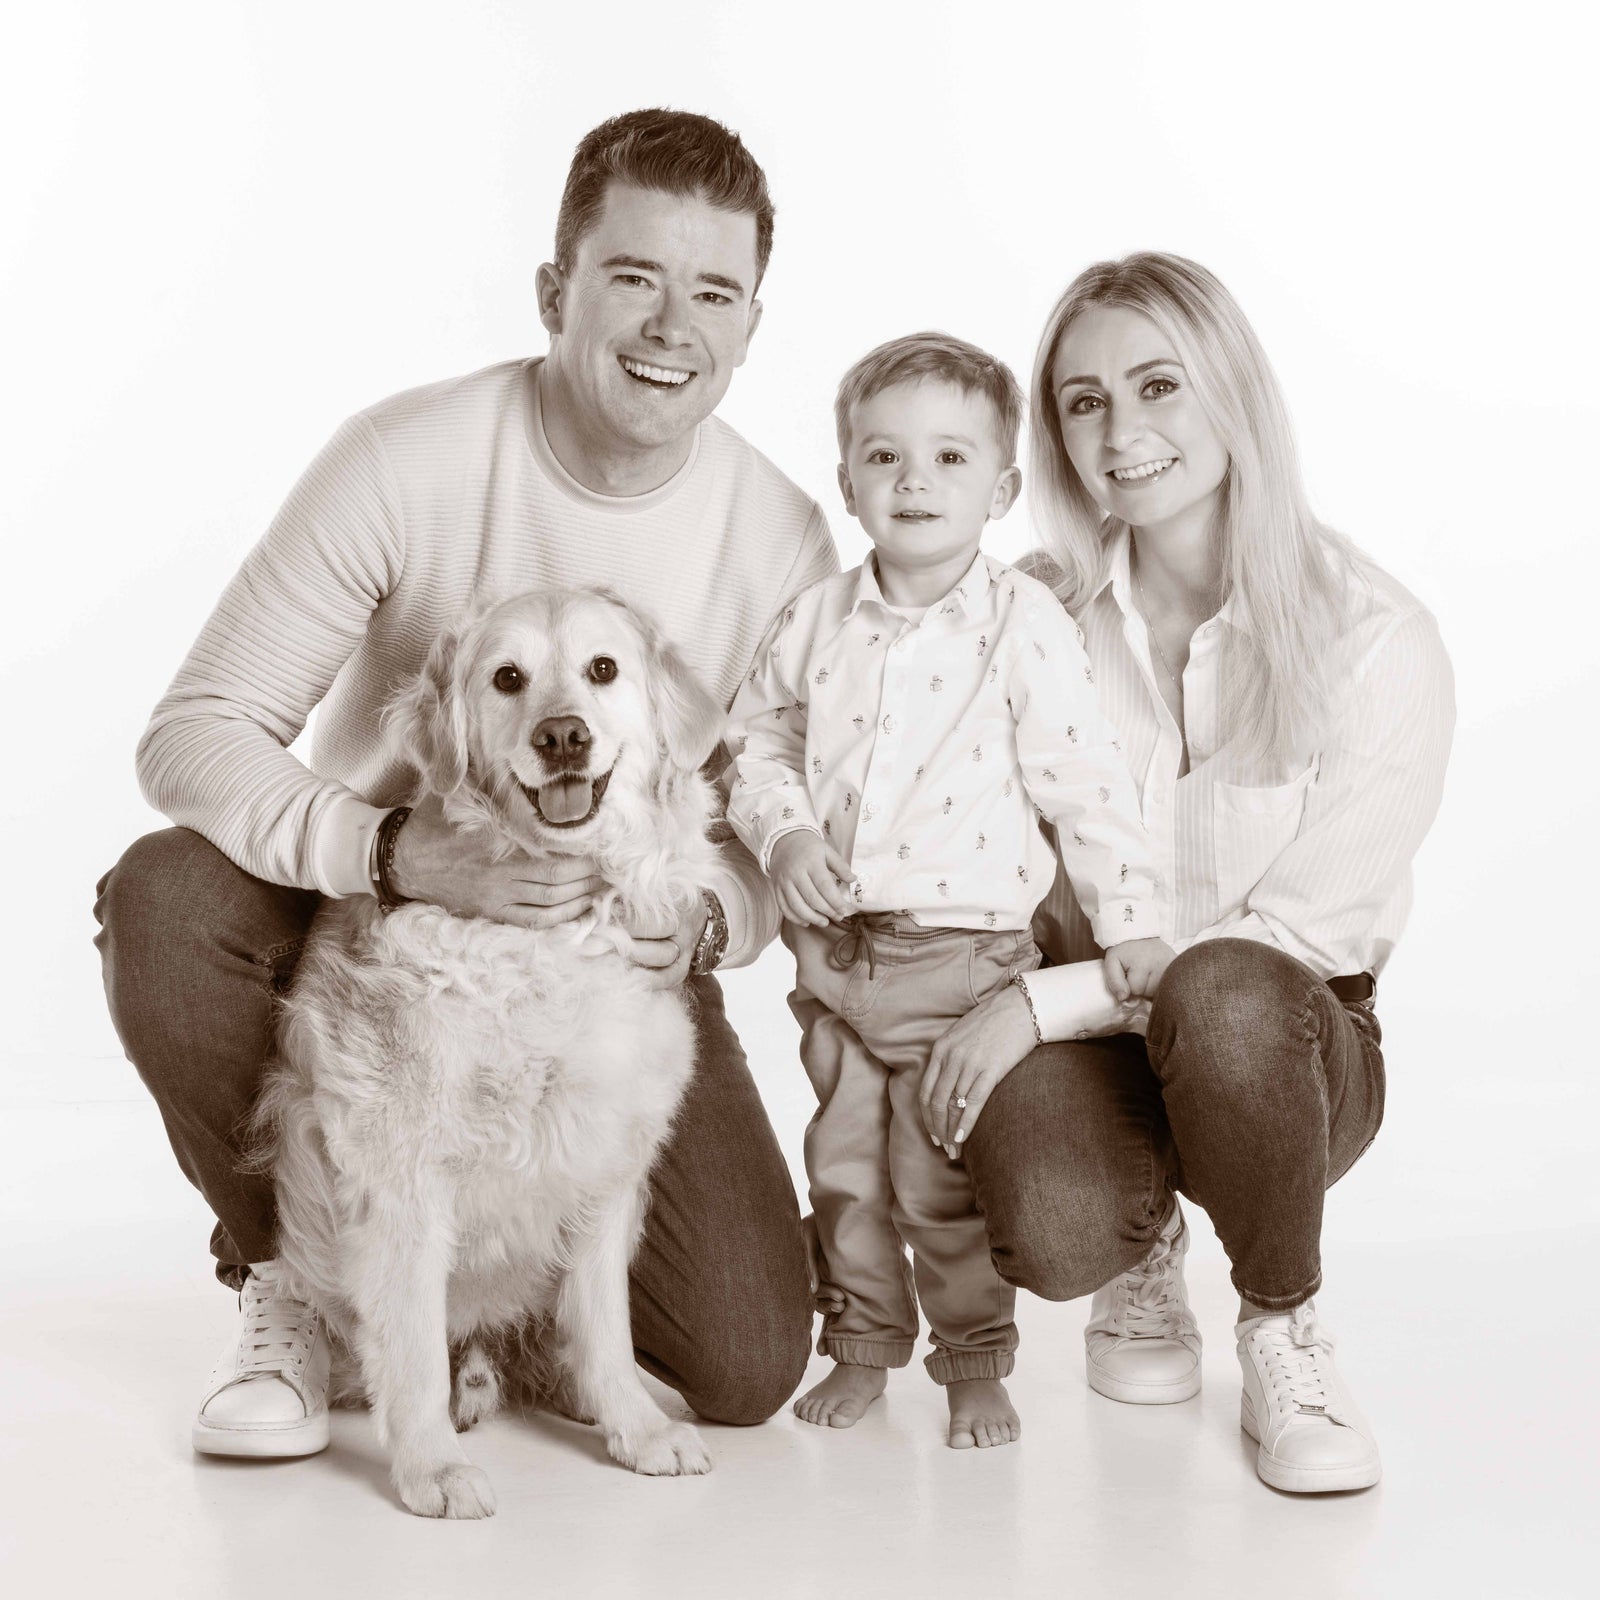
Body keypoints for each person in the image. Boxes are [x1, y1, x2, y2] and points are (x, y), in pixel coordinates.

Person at [94, 108, 837, 1458]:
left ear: (749, 328)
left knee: (744, 1361)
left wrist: (708, 922)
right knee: (160, 897)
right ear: (557, 292)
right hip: (379, 914)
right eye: (634, 278)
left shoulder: (780, 536)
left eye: (713, 293)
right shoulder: (405, 458)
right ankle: (298, 1291)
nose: (674, 325)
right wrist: (389, 855)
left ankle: (494, 1328)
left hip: (617, 955)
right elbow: (194, 731)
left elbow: (775, 822)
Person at [921, 253, 1454, 1492]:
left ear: (1231, 396)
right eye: (1083, 400)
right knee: (1052, 1232)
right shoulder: (1027, 622)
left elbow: (1291, 939)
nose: (1122, 430)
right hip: (1098, 1044)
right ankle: (1140, 1247)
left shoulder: (1377, 640)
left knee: (1222, 981)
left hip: (1294, 1047)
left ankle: (1281, 1322)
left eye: (1158, 385)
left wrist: (1029, 1007)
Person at [725, 333, 1174, 1449]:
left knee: (940, 1182)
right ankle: (862, 1349)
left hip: (965, 962)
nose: (913, 481)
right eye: (883, 457)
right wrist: (781, 841)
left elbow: (1086, 786)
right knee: (843, 1172)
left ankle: (973, 1361)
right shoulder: (817, 620)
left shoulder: (1020, 626)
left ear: (1003, 487)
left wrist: (1130, 927)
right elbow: (754, 743)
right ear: (847, 483)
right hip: (838, 957)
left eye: (948, 458)